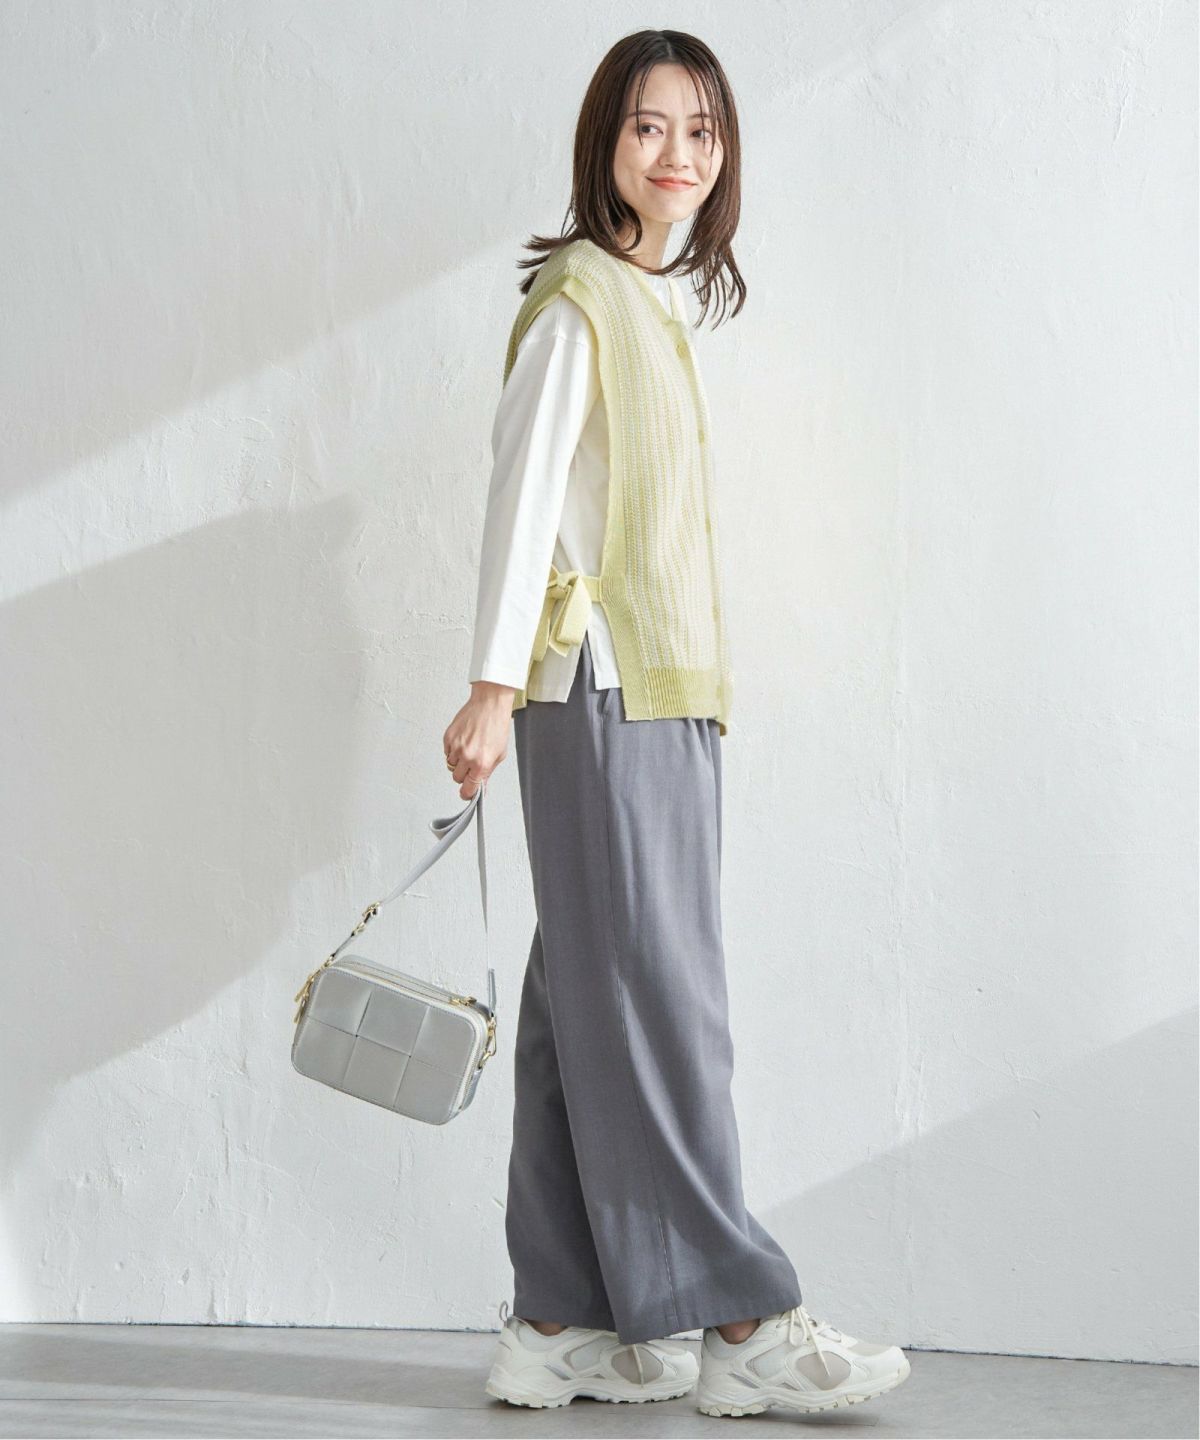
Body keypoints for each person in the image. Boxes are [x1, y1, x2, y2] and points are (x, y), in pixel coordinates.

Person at [441, 28, 911, 1420]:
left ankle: (559, 1320)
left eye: (701, 131)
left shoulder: (650, 304)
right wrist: (489, 683)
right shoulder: (581, 301)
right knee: (660, 1002)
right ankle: (744, 1316)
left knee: (584, 998)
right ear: (605, 143)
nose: (678, 155)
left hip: (664, 692)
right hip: (599, 691)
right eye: (650, 127)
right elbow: (524, 494)